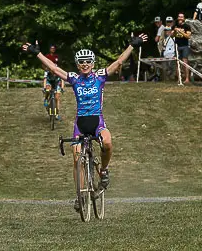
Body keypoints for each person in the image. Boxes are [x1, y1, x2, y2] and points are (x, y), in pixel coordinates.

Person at [22, 33, 147, 212]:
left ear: (93, 63)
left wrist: (132, 46)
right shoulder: (74, 78)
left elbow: (118, 63)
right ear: (77, 65)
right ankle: (80, 195)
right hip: (81, 124)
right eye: (81, 62)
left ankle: (103, 171)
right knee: (76, 157)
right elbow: (55, 70)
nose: (85, 64)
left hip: (97, 121)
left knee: (108, 142)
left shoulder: (100, 76)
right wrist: (38, 54)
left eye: (88, 61)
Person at [172, 13, 192, 84]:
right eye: (179, 17)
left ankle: (187, 79)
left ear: (184, 18)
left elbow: (188, 36)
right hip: (177, 46)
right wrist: (174, 31)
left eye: (181, 17)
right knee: (177, 62)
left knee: (185, 61)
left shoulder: (187, 26)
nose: (180, 18)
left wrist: (180, 31)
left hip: (185, 46)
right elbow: (172, 36)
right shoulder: (175, 26)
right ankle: (179, 79)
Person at [162, 17, 176, 81]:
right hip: (165, 55)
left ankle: (172, 78)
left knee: (173, 68)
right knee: (165, 68)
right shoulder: (165, 39)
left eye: (168, 31)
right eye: (165, 31)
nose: (166, 32)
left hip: (172, 55)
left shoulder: (174, 38)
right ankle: (167, 79)